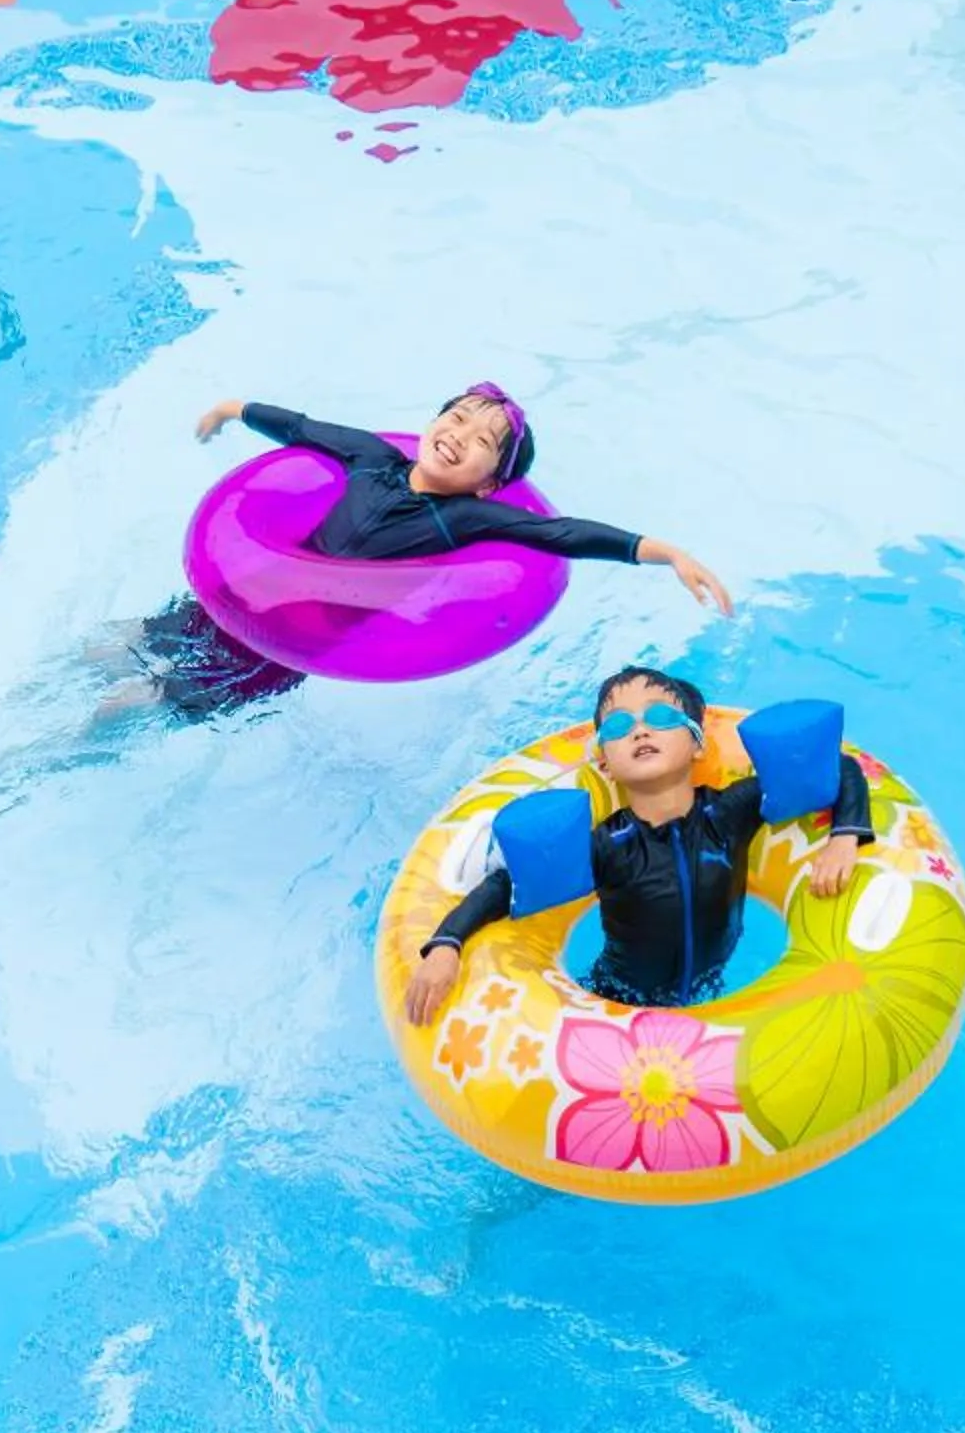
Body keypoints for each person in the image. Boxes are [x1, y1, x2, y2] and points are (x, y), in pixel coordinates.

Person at [110, 387, 729, 726]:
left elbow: (562, 535)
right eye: (456, 418)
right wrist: (233, 409)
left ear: (491, 482)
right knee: (115, 644)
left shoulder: (467, 519)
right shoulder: (372, 457)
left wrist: (662, 552)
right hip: (229, 601)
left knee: (134, 704)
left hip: (281, 651)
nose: (460, 435)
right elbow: (305, 427)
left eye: (483, 440)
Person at [402, 666, 873, 1026]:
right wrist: (446, 945)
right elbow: (509, 886)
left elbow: (832, 768)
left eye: (663, 717)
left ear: (698, 746)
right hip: (617, 998)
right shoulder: (607, 847)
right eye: (618, 727)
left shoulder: (731, 813)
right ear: (605, 763)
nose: (640, 730)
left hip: (721, 983)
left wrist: (844, 837)